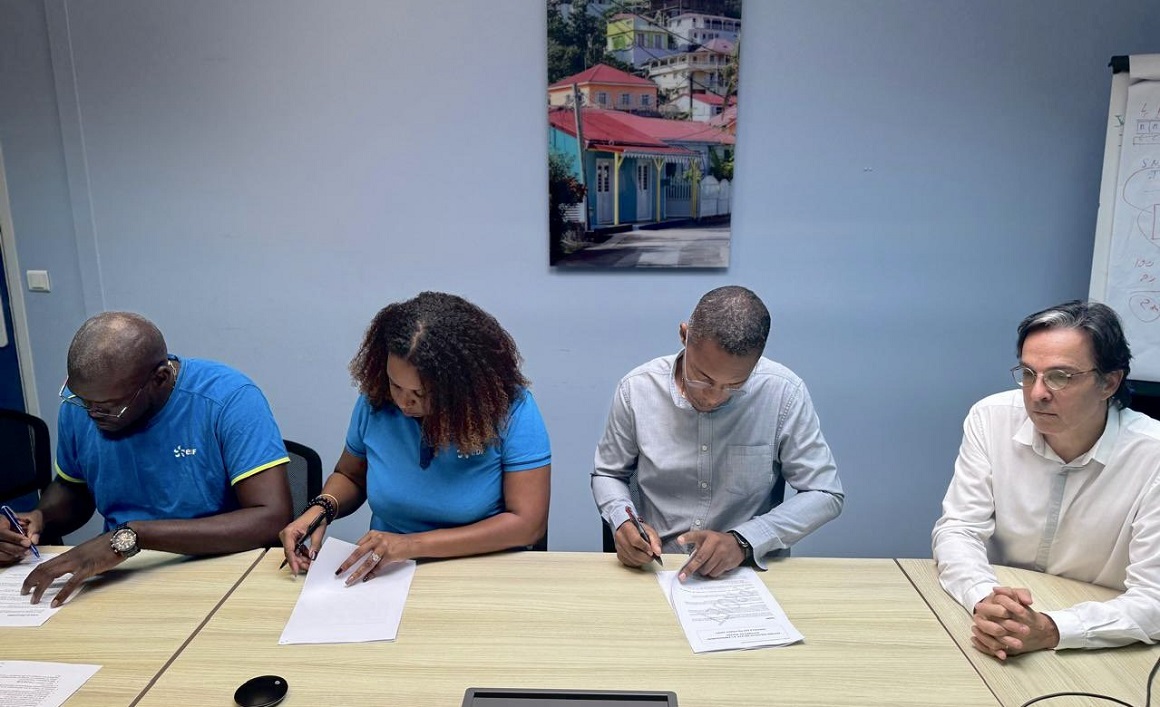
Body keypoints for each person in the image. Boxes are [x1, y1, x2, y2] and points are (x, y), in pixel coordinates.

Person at [0, 312, 292, 606]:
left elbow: (270, 518)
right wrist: (40, 517)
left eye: (109, 406)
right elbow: (73, 487)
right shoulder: (85, 405)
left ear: (159, 378)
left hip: (222, 567)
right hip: (124, 572)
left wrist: (133, 536)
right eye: (81, 399)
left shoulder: (228, 398)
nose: (92, 413)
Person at [933, 300, 1160, 659]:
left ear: (1109, 382)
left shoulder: (1153, 455)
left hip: (1098, 641)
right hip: (995, 622)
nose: (1037, 393)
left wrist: (1052, 628)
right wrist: (983, 597)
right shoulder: (991, 418)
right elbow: (959, 529)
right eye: (1028, 374)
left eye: (1060, 377)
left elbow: (1154, 598)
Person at [279, 292, 550, 582]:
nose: (403, 402)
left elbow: (527, 524)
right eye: (395, 385)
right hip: (387, 573)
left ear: (463, 388)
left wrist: (411, 545)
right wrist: (322, 507)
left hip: (482, 572)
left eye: (420, 393)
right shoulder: (376, 401)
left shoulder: (509, 409)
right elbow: (351, 476)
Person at [591, 285, 844, 580]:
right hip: (659, 567)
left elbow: (824, 492)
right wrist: (622, 521)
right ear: (684, 335)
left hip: (746, 570)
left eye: (734, 385)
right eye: (702, 378)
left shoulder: (783, 393)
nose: (713, 397)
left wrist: (744, 540)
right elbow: (608, 474)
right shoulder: (637, 389)